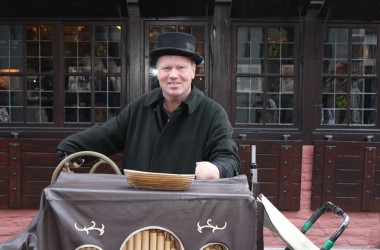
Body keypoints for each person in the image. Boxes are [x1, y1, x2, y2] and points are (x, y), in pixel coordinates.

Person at [57, 32, 240, 179]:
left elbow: (229, 158)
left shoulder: (213, 113)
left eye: (181, 68)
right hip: (139, 207)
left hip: (187, 209)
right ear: (158, 73)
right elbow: (107, 134)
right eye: (166, 68)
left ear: (193, 71)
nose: (173, 75)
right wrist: (72, 147)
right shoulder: (140, 107)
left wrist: (217, 169)